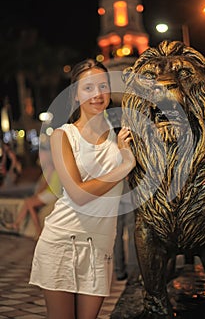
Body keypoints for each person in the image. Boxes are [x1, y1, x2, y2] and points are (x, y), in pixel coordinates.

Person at [29, 58, 136, 319]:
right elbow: (78, 194)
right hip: (63, 240)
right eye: (88, 88)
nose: (97, 94)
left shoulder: (121, 133)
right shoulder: (63, 136)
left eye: (102, 86)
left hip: (100, 246)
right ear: (75, 94)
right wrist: (125, 165)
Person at [6, 144, 62, 238]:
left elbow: (46, 184)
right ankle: (17, 224)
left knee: (29, 203)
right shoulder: (53, 165)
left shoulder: (50, 166)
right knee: (28, 202)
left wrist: (38, 194)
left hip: (51, 193)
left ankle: (37, 230)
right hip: (51, 192)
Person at [113, 178, 139, 281]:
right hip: (130, 191)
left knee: (116, 234)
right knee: (133, 234)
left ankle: (119, 271)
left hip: (114, 192)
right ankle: (134, 272)